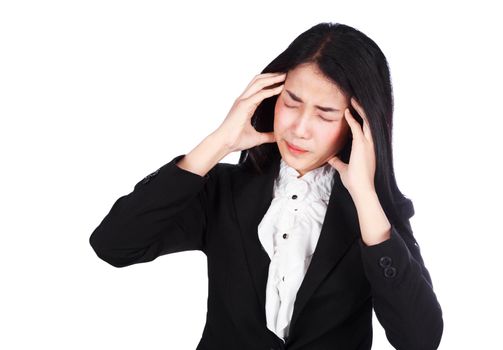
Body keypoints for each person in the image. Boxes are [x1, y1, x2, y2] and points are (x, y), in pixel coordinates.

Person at [89, 22, 443, 349]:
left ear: (359, 124)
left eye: (324, 114)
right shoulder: (226, 191)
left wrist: (365, 196)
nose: (300, 128)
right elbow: (114, 245)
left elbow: (419, 340)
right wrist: (219, 143)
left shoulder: (374, 216)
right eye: (291, 101)